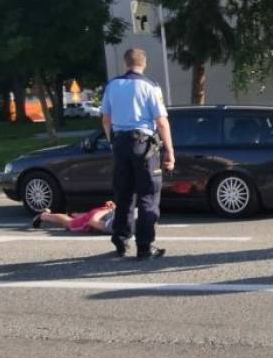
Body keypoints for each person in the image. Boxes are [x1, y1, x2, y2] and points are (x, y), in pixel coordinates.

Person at [101, 48, 175, 259]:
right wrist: (169, 151)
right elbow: (161, 122)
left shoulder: (112, 86)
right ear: (144, 64)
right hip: (143, 147)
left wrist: (113, 142)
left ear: (126, 63)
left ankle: (121, 242)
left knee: (123, 195)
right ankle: (145, 246)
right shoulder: (150, 86)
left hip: (120, 144)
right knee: (148, 196)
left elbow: (106, 120)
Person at [31, 201, 119, 234]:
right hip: (98, 215)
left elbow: (93, 220)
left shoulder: (119, 224)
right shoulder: (115, 226)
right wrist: (109, 209)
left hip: (101, 213)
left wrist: (110, 209)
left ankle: (73, 214)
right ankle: (44, 216)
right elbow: (92, 221)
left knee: (79, 218)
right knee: (69, 223)